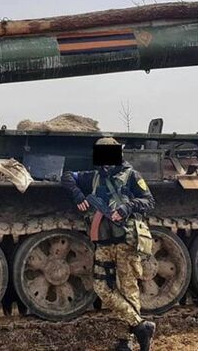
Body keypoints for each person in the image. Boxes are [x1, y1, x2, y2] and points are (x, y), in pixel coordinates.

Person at [61, 137, 157, 351]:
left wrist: (127, 207)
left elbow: (149, 200)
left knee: (128, 289)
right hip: (104, 242)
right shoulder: (93, 176)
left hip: (125, 240)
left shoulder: (131, 175)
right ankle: (141, 326)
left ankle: (126, 340)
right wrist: (77, 195)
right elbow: (67, 176)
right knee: (101, 287)